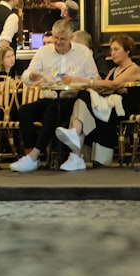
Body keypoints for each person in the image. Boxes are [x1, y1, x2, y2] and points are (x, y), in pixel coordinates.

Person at [9, 19, 98, 173]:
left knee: (52, 110)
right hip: (48, 97)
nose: (58, 42)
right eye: (55, 38)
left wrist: (76, 82)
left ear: (71, 38)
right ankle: (29, 153)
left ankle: (34, 156)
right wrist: (33, 75)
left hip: (72, 99)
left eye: (62, 39)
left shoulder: (83, 53)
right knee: (24, 110)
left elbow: (94, 79)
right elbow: (25, 76)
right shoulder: (43, 52)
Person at [53, 33, 140, 171]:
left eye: (116, 49)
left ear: (127, 50)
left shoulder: (134, 69)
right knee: (82, 100)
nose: (112, 53)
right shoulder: (113, 70)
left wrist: (85, 81)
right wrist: (110, 86)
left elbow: (112, 84)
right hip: (108, 104)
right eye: (111, 50)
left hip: (122, 108)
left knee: (85, 97)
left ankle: (76, 150)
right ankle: (75, 145)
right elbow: (106, 87)